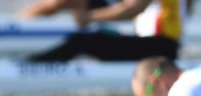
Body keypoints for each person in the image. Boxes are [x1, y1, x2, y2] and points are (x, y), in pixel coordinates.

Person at [20, 0, 189, 63]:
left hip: (157, 47)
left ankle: (28, 65)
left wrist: (90, 17)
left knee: (82, 41)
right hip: (162, 44)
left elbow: (133, 8)